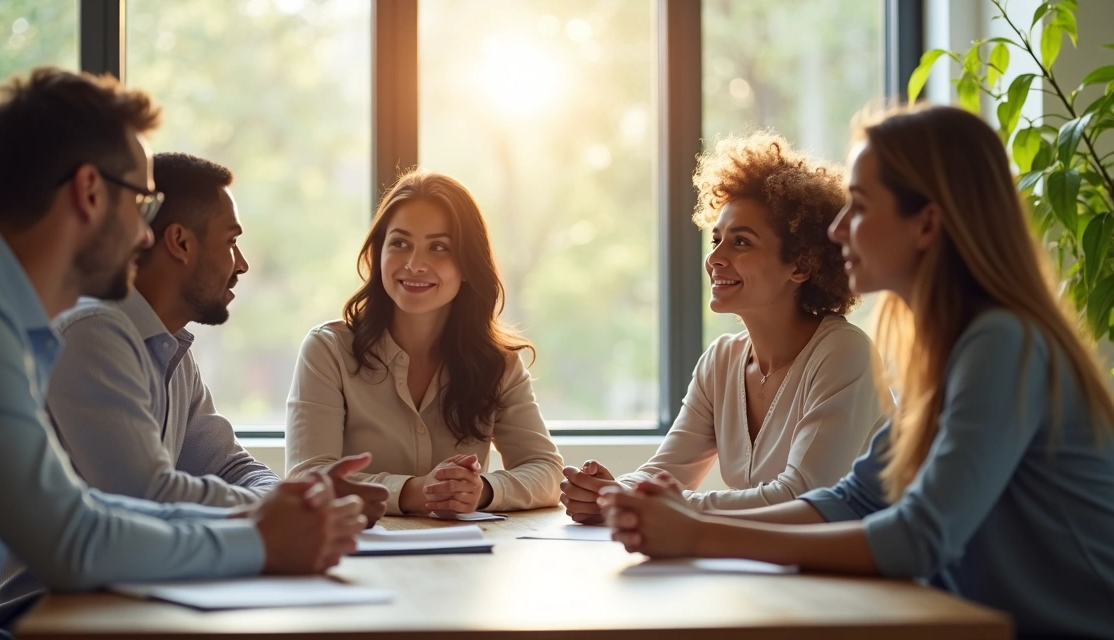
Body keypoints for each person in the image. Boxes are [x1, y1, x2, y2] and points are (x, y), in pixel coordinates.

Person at [601, 105, 1114, 638]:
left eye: (860, 207)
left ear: (927, 224)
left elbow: (917, 537)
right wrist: (690, 521)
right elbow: (856, 499)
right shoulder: (951, 348)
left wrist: (700, 534)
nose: (839, 229)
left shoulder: (1001, 343)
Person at [0, 67, 364, 640]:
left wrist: (267, 520)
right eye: (143, 202)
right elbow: (73, 540)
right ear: (89, 192)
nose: (148, 235)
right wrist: (259, 538)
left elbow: (88, 513)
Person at [0, 152, 391, 627]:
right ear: (179, 241)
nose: (242, 264)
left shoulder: (170, 348)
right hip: (43, 617)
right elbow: (146, 493)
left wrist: (299, 496)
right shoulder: (93, 331)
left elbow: (228, 464)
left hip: (120, 601)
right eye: (231, 241)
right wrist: (285, 512)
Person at [561, 132, 884, 523]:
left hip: (875, 574)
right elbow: (666, 471)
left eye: (741, 242)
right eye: (716, 239)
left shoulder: (844, 353)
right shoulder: (721, 360)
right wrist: (612, 493)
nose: (714, 258)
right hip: (783, 566)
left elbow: (804, 498)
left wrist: (663, 505)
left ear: (800, 266)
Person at [286, 170, 563, 515]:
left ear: (467, 264)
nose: (415, 264)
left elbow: (547, 471)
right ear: (378, 254)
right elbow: (308, 478)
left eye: (439, 248)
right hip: (354, 551)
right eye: (400, 243)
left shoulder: (498, 363)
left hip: (465, 561)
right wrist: (414, 492)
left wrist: (483, 491)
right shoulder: (328, 351)